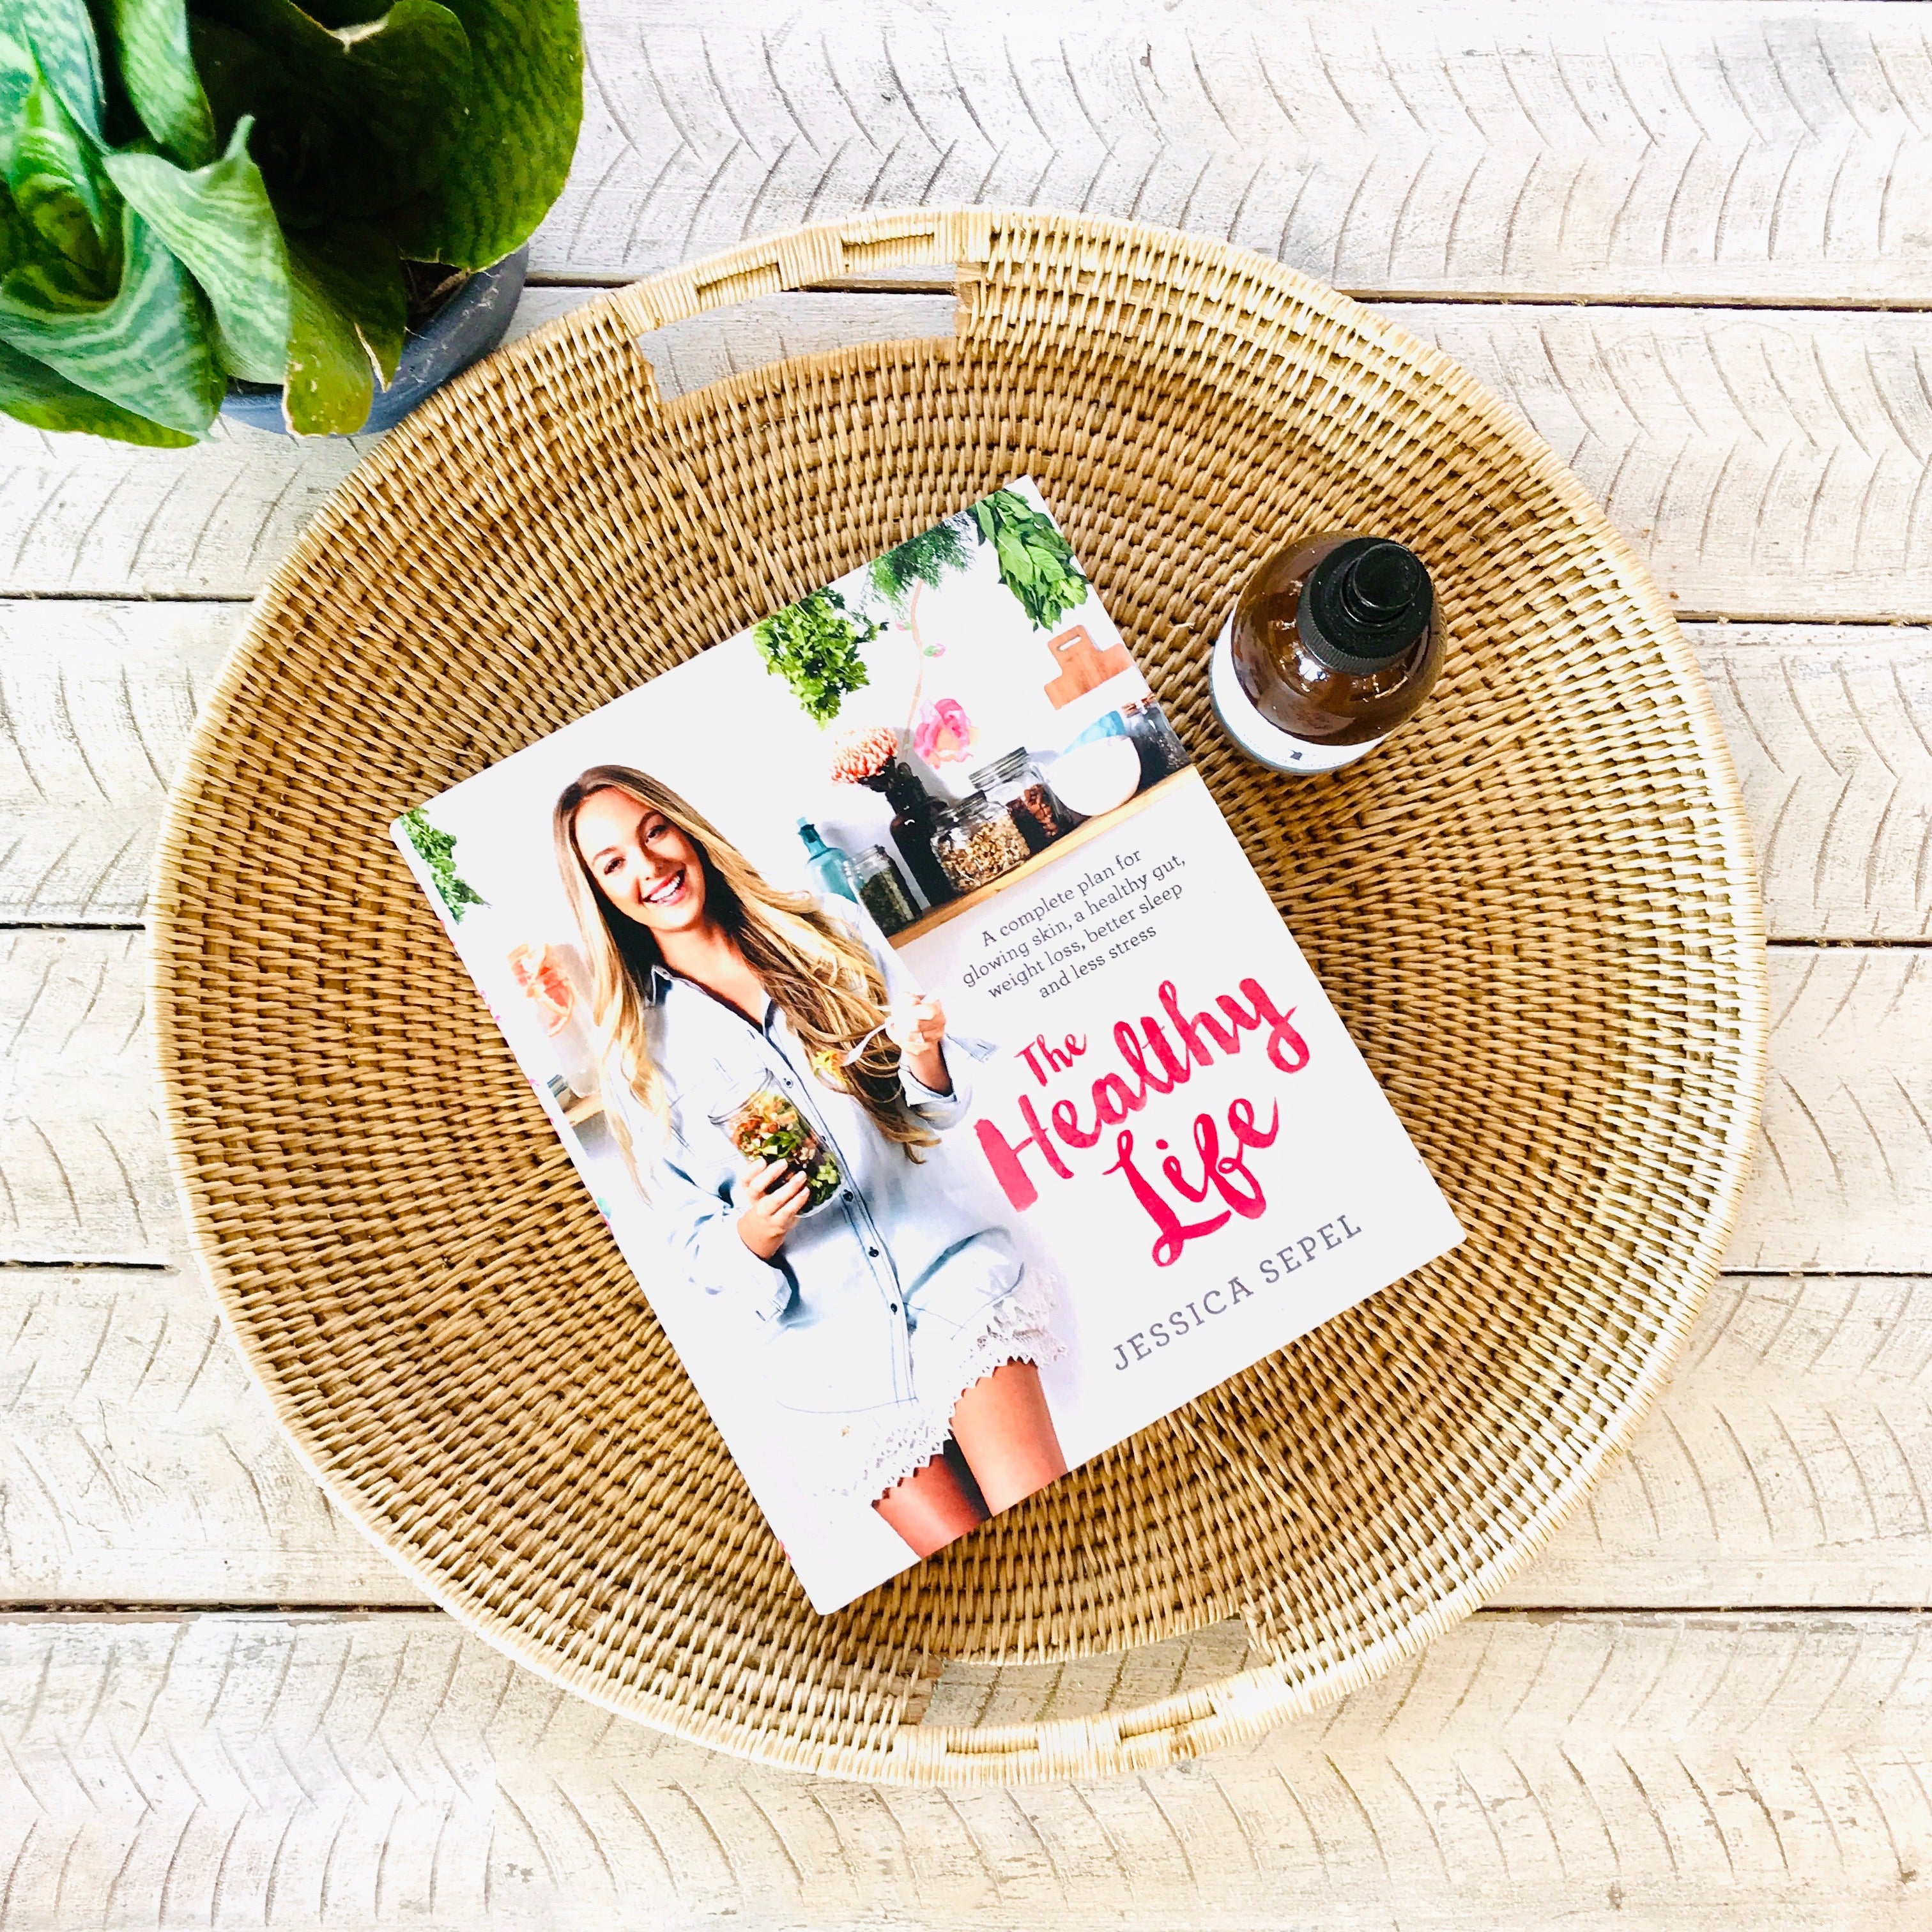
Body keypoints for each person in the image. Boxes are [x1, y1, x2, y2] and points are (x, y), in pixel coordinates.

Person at [553, 763, 1068, 1556]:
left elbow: (932, 1103)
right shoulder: (635, 1059)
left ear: (684, 826)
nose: (648, 867)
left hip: (952, 1282)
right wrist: (752, 1233)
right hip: (829, 1365)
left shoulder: (825, 929)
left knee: (1055, 1541)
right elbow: (696, 1255)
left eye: (654, 832)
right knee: (989, 1584)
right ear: (598, 892)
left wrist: (925, 1051)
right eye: (613, 862)